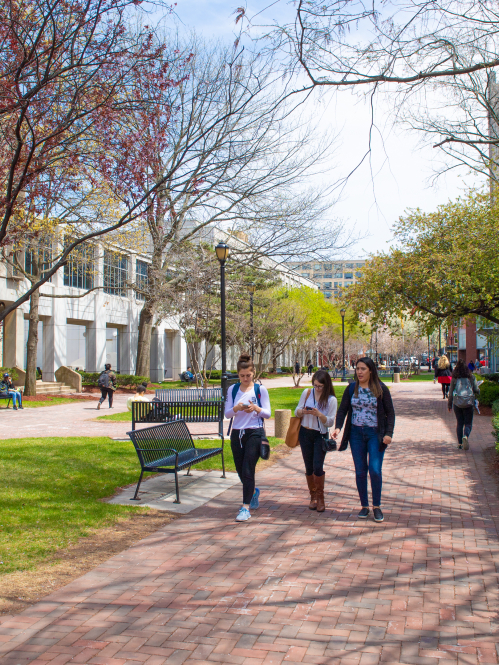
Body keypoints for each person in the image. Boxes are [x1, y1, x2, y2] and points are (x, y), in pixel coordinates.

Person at [332, 357, 395, 523]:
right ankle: (365, 506)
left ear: (371, 371)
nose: (359, 372)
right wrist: (338, 427)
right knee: (360, 471)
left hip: (375, 434)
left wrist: (389, 433)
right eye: (357, 368)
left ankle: (377, 506)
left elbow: (390, 413)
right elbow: (343, 409)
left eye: (363, 369)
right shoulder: (352, 388)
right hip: (356, 434)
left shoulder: (381, 389)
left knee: (374, 470)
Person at [224, 353, 271, 522]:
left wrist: (256, 408)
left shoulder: (260, 389)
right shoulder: (233, 389)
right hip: (237, 433)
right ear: (238, 375)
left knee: (248, 469)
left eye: (248, 375)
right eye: (242, 376)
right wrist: (236, 408)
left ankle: (245, 508)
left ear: (254, 374)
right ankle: (253, 492)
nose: (245, 378)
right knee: (239, 470)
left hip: (254, 432)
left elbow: (267, 413)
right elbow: (227, 414)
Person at [294, 370, 337, 512]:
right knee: (308, 467)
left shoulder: (331, 400)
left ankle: (321, 497)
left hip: (320, 435)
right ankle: (312, 496)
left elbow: (330, 422)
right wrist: (304, 411)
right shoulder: (307, 393)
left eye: (320, 386)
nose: (317, 388)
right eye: (315, 385)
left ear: (326, 386)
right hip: (305, 432)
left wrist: (319, 414)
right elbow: (296, 411)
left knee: (317, 466)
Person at [448, 359, 480, 450]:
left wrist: (449, 405)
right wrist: (479, 390)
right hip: (468, 403)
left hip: (457, 403)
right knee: (468, 423)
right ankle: (465, 436)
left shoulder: (454, 378)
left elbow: (450, 393)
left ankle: (460, 444)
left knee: (459, 423)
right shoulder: (471, 377)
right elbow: (476, 389)